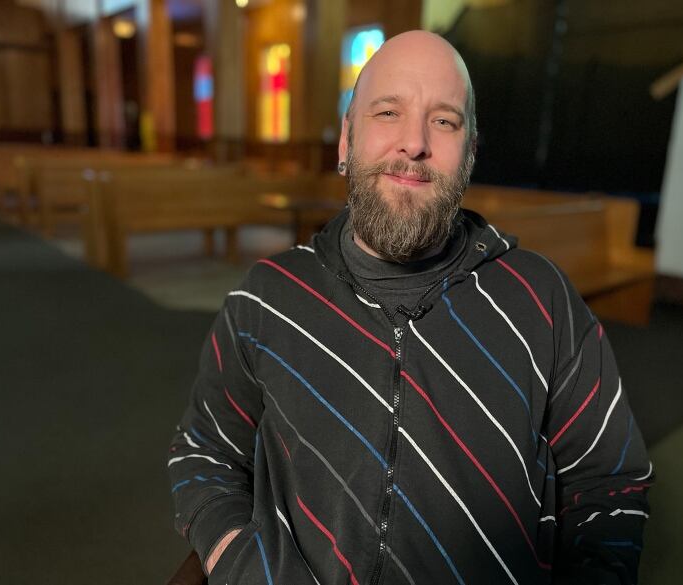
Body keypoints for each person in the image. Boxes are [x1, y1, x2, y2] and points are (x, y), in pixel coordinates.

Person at [168, 30, 652, 585]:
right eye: (388, 111)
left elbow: (609, 481)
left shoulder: (543, 301)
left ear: (469, 154)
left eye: (444, 121)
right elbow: (205, 455)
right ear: (346, 139)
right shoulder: (266, 299)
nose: (414, 143)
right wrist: (249, 570)